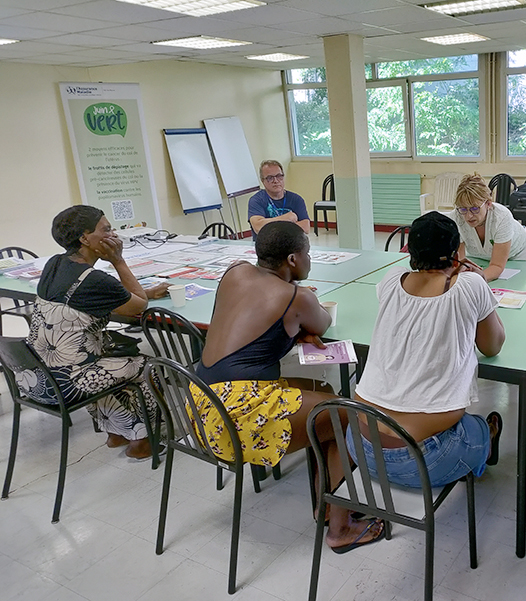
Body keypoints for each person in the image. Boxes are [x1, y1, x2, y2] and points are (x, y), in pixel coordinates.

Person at [195, 221, 384, 553]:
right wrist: (302, 320)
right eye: (308, 253)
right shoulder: (294, 296)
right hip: (240, 416)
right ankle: (340, 528)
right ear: (294, 260)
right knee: (346, 416)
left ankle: (325, 501)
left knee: (324, 399)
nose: (310, 259)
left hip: (203, 406)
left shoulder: (234, 272)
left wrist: (295, 325)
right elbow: (322, 322)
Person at [348, 211, 506, 488]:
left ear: (410, 253)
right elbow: (492, 346)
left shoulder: (391, 279)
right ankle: (482, 450)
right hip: (425, 461)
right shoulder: (470, 284)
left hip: (358, 446)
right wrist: (475, 285)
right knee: (479, 429)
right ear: (458, 251)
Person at [24, 206, 169, 459]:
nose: (113, 235)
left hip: (34, 375)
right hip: (65, 381)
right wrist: (119, 261)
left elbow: (120, 298)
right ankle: (143, 441)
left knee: (107, 359)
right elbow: (138, 307)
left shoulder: (55, 263)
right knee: (146, 365)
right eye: (106, 230)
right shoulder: (94, 279)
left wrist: (145, 291)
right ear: (84, 238)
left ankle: (117, 433)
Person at [448, 173, 526, 282]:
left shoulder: (501, 217)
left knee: (510, 288)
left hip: (517, 255)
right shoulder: (456, 217)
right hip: (480, 257)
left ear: (488, 203)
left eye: (475, 209)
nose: (469, 215)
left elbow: (497, 266)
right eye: (463, 209)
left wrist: (473, 282)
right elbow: (459, 261)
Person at [247, 160, 310, 236]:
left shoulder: (296, 199)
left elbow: (306, 227)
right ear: (263, 181)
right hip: (266, 246)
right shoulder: (257, 200)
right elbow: (258, 227)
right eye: (270, 178)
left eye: (279, 176)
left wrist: (269, 225)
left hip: (291, 244)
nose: (276, 181)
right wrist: (287, 218)